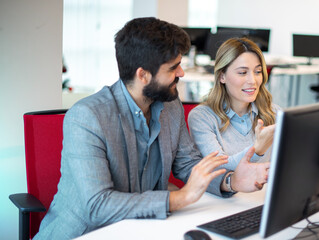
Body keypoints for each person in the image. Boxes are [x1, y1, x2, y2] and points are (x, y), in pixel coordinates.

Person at [34, 18, 270, 240]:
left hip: (143, 229)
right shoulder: (88, 117)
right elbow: (98, 205)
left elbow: (188, 165)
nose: (181, 73)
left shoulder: (170, 106)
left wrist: (231, 182)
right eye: (173, 68)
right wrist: (181, 197)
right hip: (87, 233)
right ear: (143, 75)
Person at [188, 37, 279, 171]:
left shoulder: (274, 113)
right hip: (222, 192)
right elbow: (221, 166)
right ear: (222, 76)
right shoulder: (202, 117)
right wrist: (258, 149)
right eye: (242, 73)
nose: (252, 80)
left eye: (257, 72)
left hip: (263, 190)